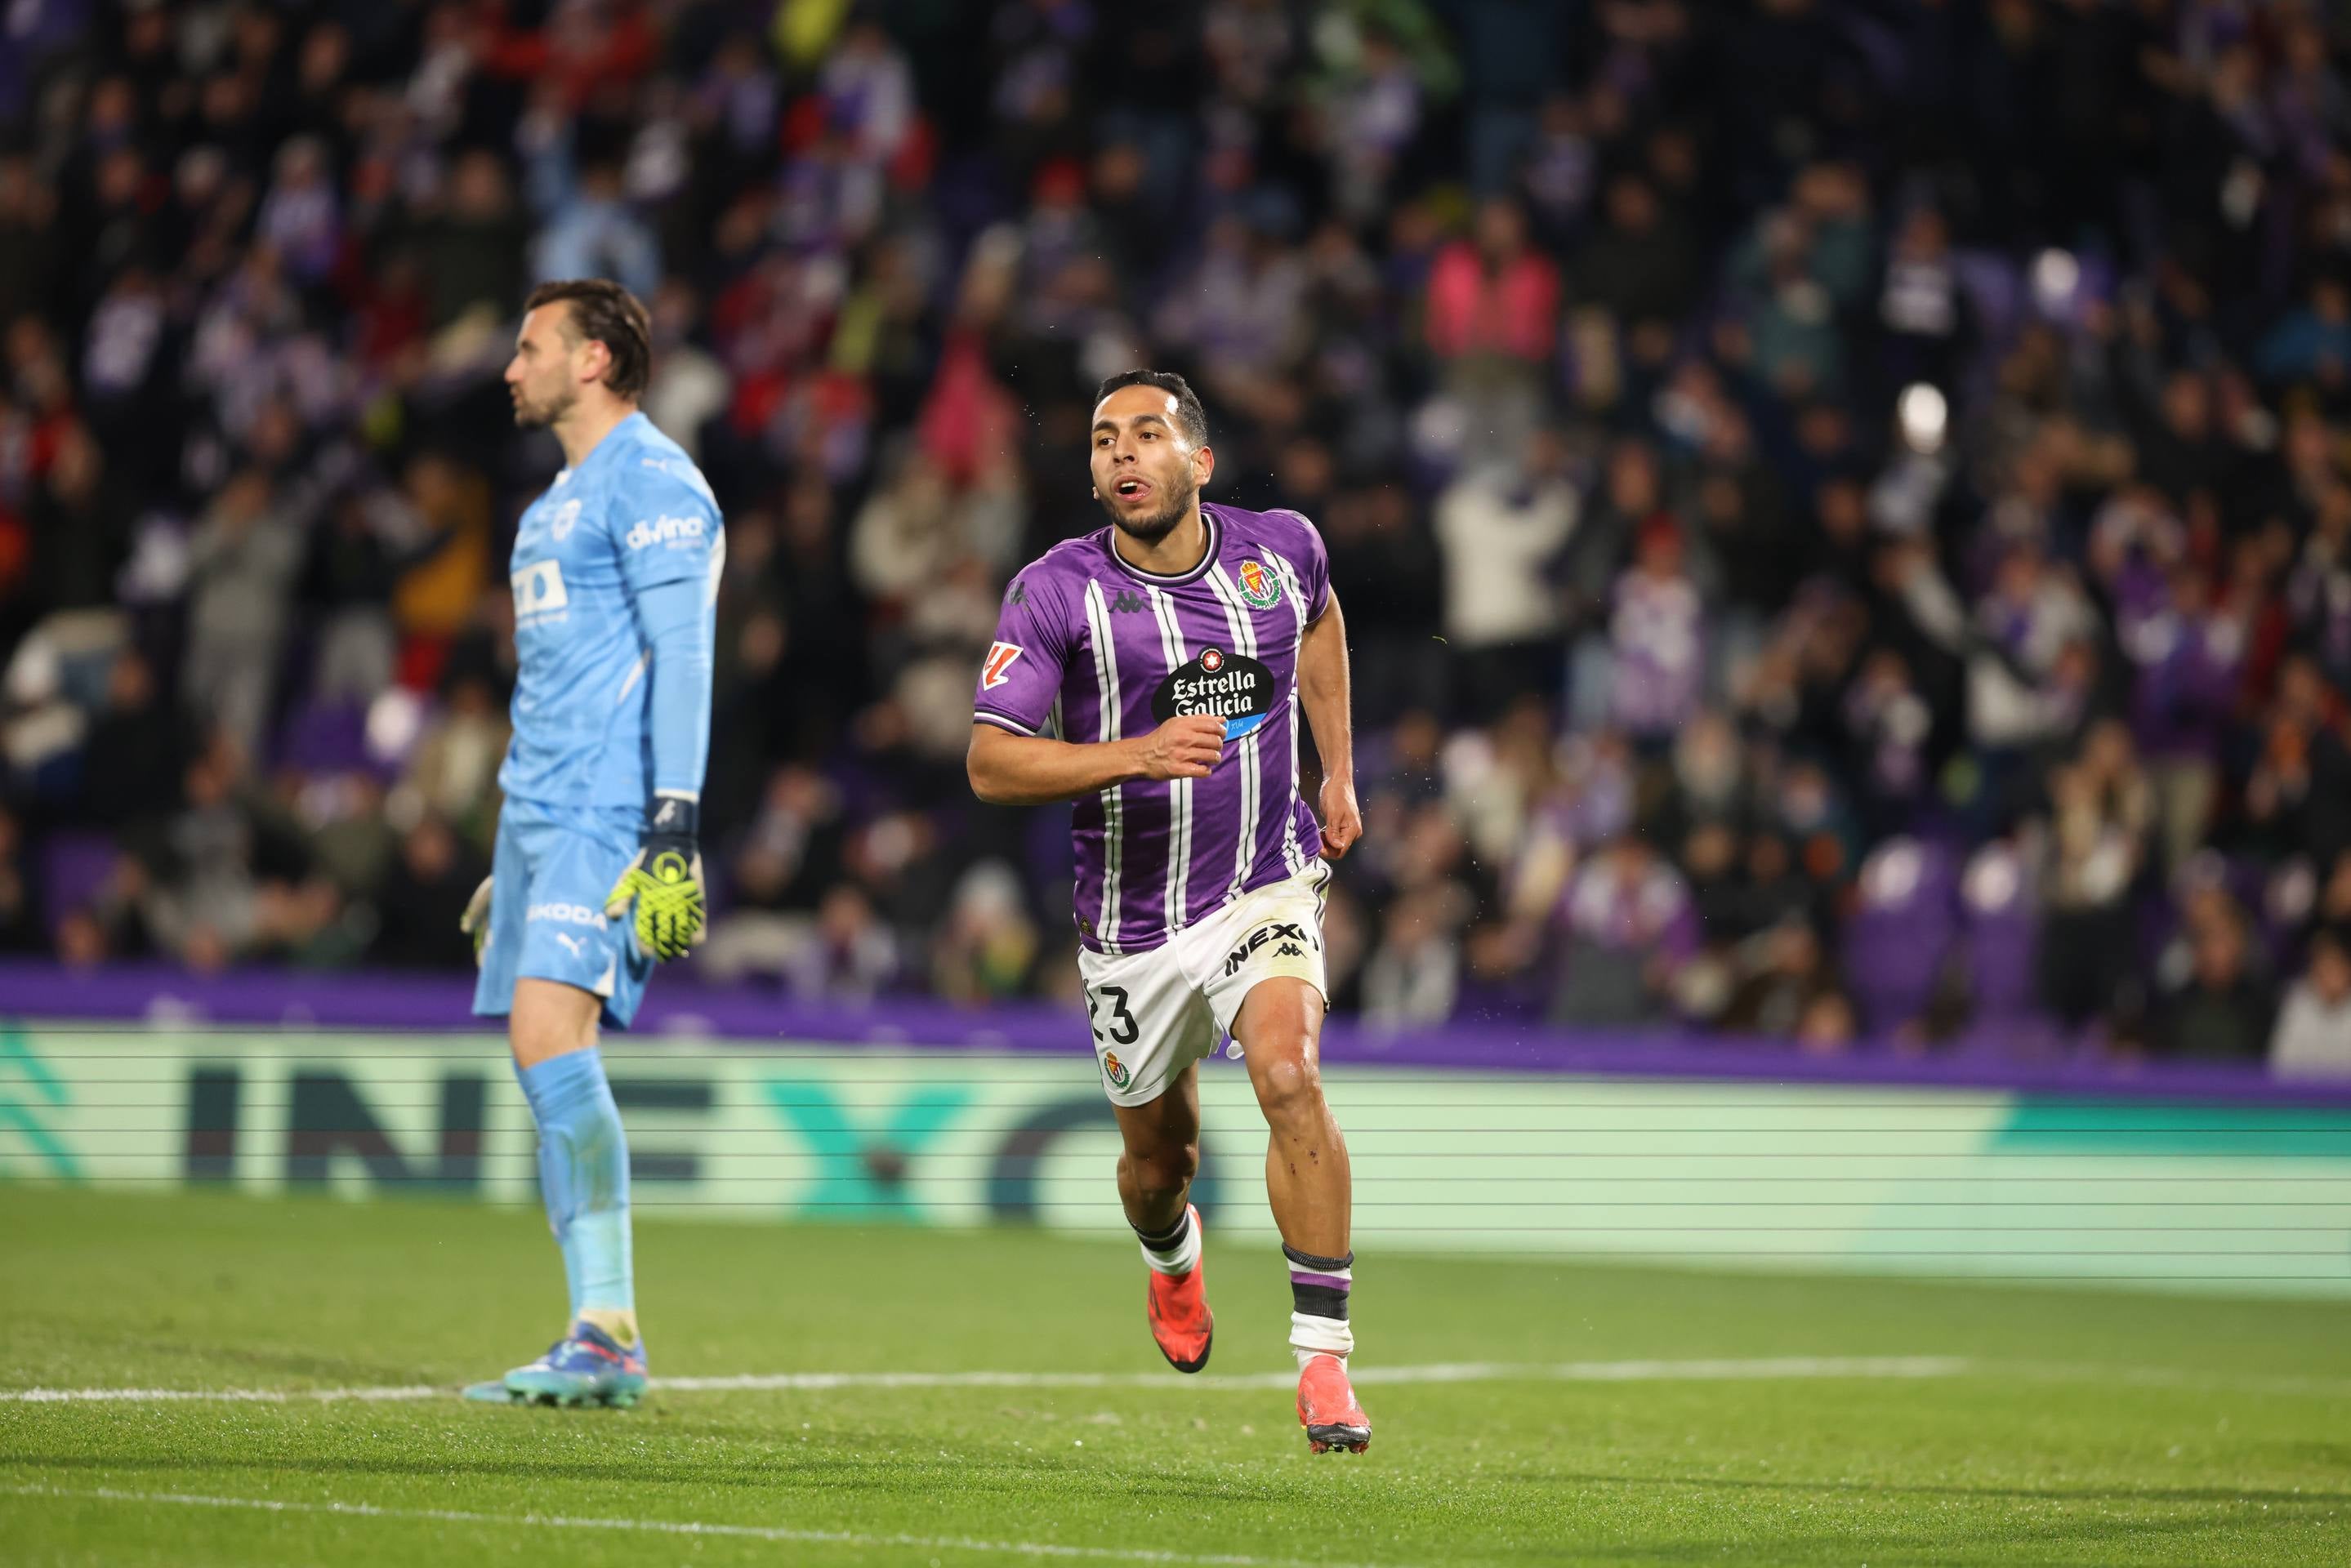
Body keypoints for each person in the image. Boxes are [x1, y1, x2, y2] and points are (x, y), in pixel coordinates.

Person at [966, 371, 1372, 1454]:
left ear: (1197, 458)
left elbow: (1321, 623)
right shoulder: (1056, 591)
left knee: (1289, 1075)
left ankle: (1324, 1363)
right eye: (1103, 440)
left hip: (1263, 882)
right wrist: (1134, 754)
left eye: (1146, 435)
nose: (1120, 456)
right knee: (1159, 1167)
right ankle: (1170, 1262)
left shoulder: (1280, 549)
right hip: (1133, 924)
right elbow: (990, 762)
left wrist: (1336, 773)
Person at [459, 278, 723, 1407]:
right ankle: (594, 1324)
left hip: (611, 814)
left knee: (546, 1037)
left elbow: (686, 655)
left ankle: (608, 1330)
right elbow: (562, 686)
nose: (510, 370)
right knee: (539, 1053)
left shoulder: (655, 482)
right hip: (537, 816)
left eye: (530, 349)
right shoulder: (547, 509)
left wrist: (672, 823)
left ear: (595, 362)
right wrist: (504, 850)